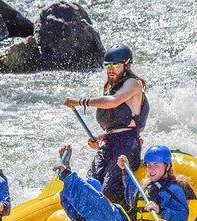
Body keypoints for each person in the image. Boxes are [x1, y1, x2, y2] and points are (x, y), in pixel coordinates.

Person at [64, 44, 150, 205]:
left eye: (116, 65)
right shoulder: (109, 88)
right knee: (92, 184)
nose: (111, 69)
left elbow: (114, 102)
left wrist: (81, 101)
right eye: (107, 65)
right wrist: (100, 137)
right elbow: (114, 126)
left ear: (126, 65)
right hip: (109, 143)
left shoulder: (133, 83)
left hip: (127, 143)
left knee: (109, 188)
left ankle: (126, 220)